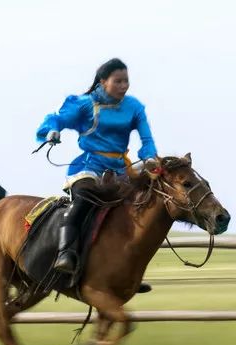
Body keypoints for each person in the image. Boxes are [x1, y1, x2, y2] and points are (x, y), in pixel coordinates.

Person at [36, 58, 162, 275]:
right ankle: (65, 254)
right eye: (118, 81)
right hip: (89, 166)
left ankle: (128, 270)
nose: (124, 86)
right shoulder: (85, 104)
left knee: (140, 209)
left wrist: (150, 157)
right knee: (83, 202)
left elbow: (147, 139)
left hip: (122, 170)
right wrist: (51, 131)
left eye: (126, 81)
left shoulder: (134, 107)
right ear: (103, 82)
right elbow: (57, 119)